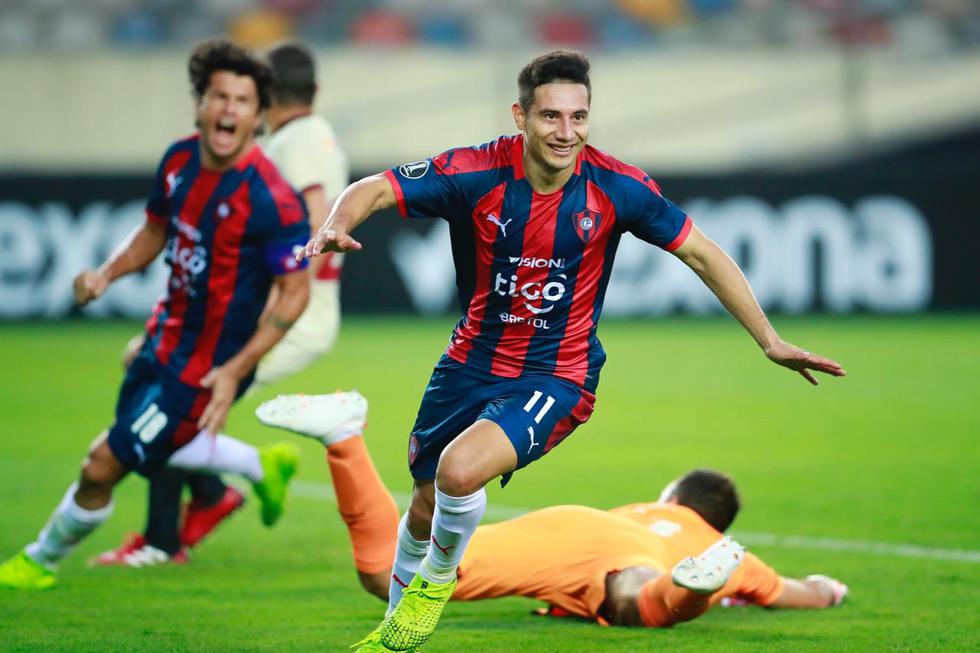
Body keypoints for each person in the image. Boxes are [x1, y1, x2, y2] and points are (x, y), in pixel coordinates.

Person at [298, 49, 846, 651]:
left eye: (579, 117)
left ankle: (431, 591)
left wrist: (768, 339)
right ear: (521, 116)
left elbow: (702, 252)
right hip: (467, 364)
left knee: (459, 472)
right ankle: (396, 629)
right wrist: (332, 224)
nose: (567, 132)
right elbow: (374, 189)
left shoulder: (617, 187)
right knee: (427, 502)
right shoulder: (474, 172)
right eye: (552, 117)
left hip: (557, 373)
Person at [0, 38, 312, 590]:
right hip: (163, 337)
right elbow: (153, 231)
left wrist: (238, 368)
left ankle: (39, 562)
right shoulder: (178, 160)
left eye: (243, 100)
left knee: (103, 463)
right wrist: (105, 274)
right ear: (200, 104)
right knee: (148, 439)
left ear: (259, 115)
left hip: (207, 366)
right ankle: (260, 467)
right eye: (219, 96)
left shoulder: (271, 198)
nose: (229, 109)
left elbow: (295, 293)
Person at [92, 40, 356, 568]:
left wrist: (278, 285)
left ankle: (164, 540)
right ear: (316, 90)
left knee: (179, 402)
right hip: (298, 310)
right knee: (164, 390)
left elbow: (307, 222)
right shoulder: (318, 136)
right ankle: (211, 498)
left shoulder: (291, 145)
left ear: (264, 97)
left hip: (284, 313)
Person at [257, 400, 848, 633]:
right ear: (716, 526)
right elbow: (797, 592)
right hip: (637, 561)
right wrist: (827, 589)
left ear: (671, 496)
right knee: (636, 599)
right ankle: (690, 586)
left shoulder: (643, 509)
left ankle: (343, 437)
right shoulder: (709, 537)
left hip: (571, 527)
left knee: (392, 572)